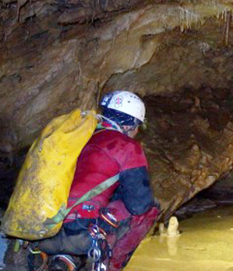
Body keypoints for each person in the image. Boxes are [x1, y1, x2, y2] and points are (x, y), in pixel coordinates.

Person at [31, 91, 159, 271]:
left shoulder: (80, 138)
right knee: (150, 207)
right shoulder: (125, 145)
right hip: (80, 234)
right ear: (129, 124)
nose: (137, 132)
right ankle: (109, 265)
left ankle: (65, 259)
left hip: (43, 232)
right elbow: (140, 204)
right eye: (138, 126)